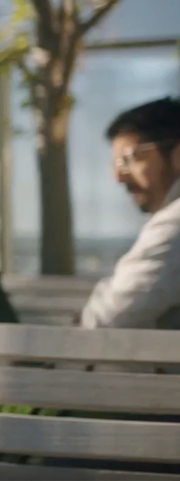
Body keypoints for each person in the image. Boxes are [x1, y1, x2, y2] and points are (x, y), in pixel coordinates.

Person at [81, 97, 180, 329]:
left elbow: (109, 319)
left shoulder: (174, 225)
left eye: (129, 159)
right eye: (116, 164)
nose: (118, 177)